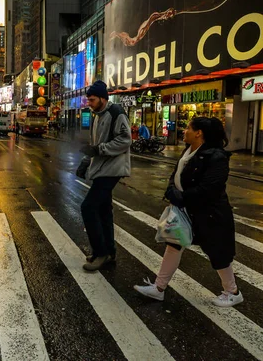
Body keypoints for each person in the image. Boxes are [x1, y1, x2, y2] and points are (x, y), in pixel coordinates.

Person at [134, 117, 243, 307]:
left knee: (217, 253)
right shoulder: (189, 151)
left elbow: (210, 189)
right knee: (173, 245)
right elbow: (176, 175)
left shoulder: (216, 156)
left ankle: (233, 292)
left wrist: (180, 197)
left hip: (210, 215)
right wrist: (170, 190)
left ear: (199, 133)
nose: (184, 131)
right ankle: (159, 288)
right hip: (187, 211)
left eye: (188, 128)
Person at [77, 80, 132, 271]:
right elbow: (94, 144)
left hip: (112, 169)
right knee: (103, 211)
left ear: (102, 98)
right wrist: (86, 162)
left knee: (88, 208)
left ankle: (101, 253)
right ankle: (109, 252)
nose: (89, 103)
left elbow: (125, 140)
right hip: (100, 169)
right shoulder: (97, 115)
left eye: (92, 99)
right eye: (88, 100)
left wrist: (99, 150)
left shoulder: (115, 113)